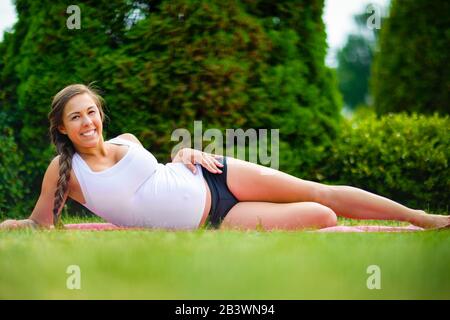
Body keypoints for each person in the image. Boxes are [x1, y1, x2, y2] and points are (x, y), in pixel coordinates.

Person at [1, 84, 449, 231]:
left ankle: (420, 217)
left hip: (215, 177)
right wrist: (13, 225)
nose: (86, 122)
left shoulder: (128, 138)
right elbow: (41, 223)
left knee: (319, 190)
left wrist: (184, 151)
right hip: (215, 220)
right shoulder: (64, 170)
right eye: (75, 118)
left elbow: (160, 170)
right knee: (324, 216)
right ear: (62, 127)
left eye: (91, 112)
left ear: (101, 114)